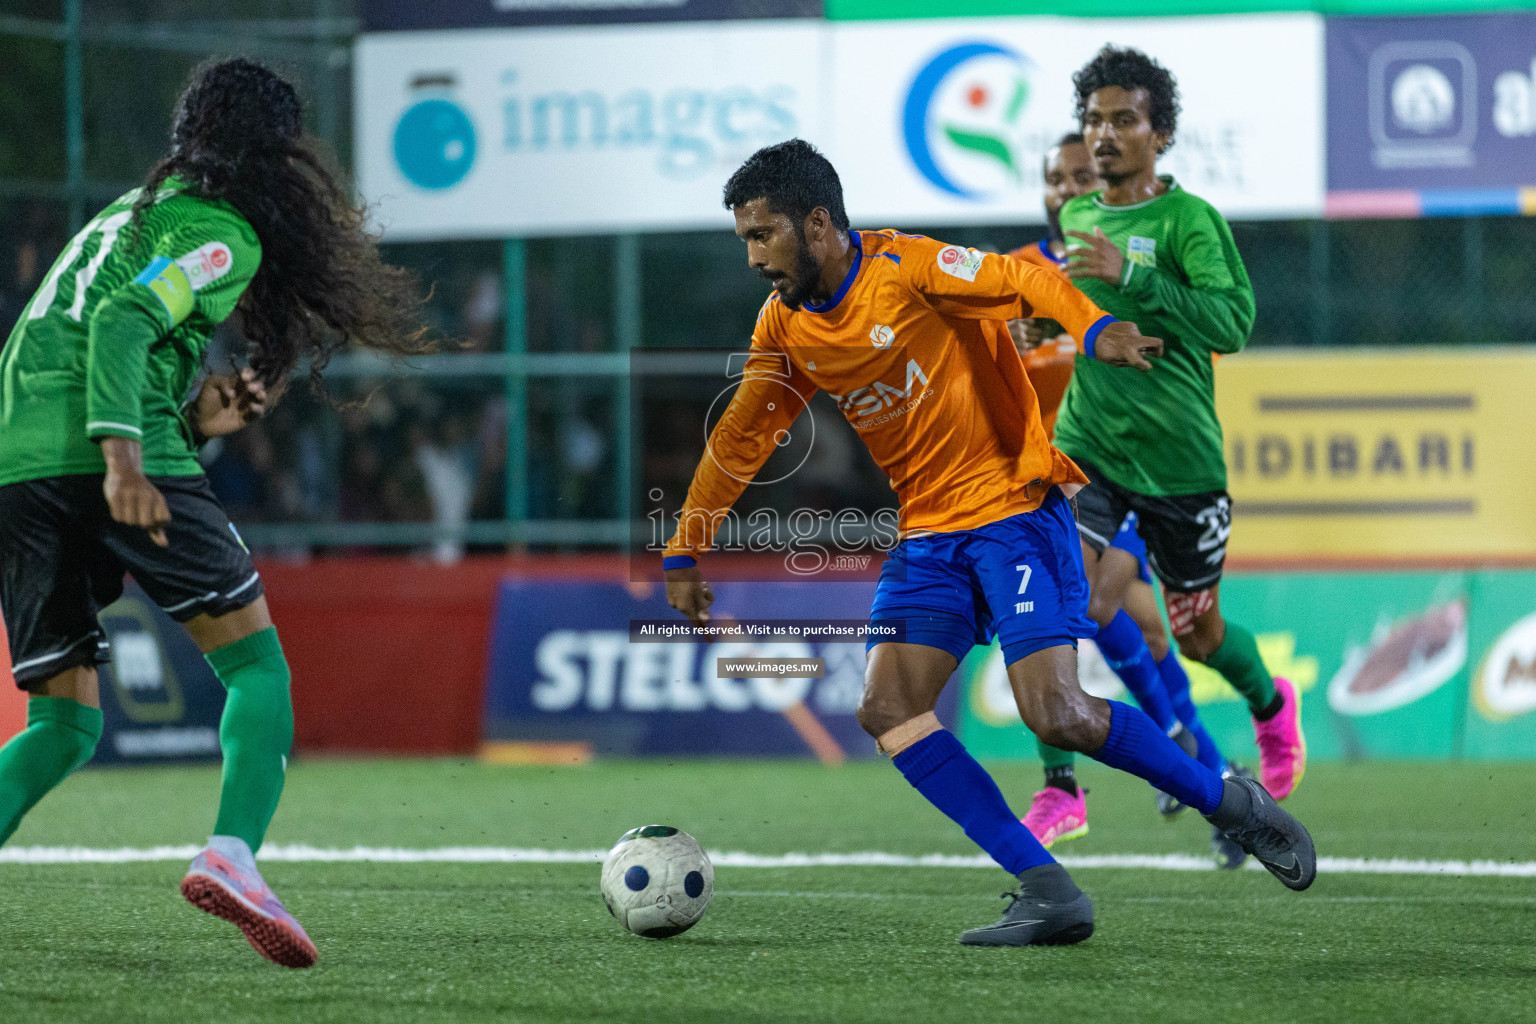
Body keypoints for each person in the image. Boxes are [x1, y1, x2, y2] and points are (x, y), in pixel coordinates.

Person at [663, 138, 1315, 947]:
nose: (754, 256)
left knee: (1060, 713)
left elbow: (1027, 280)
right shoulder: (784, 325)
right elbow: (741, 437)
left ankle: (1232, 804)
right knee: (887, 707)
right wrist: (685, 548)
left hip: (1013, 513)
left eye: (763, 235)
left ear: (819, 223)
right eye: (745, 241)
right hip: (929, 534)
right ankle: (1046, 889)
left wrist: (1098, 322)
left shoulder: (910, 269)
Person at [0, 58, 431, 968]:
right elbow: (121, 322)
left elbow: (87, 324)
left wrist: (196, 420)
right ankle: (233, 856)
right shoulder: (223, 235)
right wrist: (125, 455)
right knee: (256, 668)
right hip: (104, 448)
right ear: (274, 155)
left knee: (63, 723)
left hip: (16, 459)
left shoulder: (126, 212)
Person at [1046, 46, 1307, 807]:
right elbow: (1085, 315)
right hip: (1090, 446)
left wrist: (1132, 277)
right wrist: (1044, 323)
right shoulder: (1078, 212)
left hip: (1180, 463)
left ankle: (1269, 705)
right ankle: (1063, 789)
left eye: (1123, 120)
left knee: (1198, 635)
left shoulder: (1189, 220)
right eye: (1093, 120)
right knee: (1061, 601)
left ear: (1160, 135)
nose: (1104, 134)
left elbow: (1232, 322)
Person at [1006, 135, 1245, 869]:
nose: (1067, 189)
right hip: (1052, 486)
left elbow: (1200, 338)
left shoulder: (1131, 265)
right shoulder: (1017, 273)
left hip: (1124, 479)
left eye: (1079, 175)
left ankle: (1087, 780)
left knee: (1095, 609)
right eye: (1056, 178)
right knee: (1130, 626)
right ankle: (1216, 779)